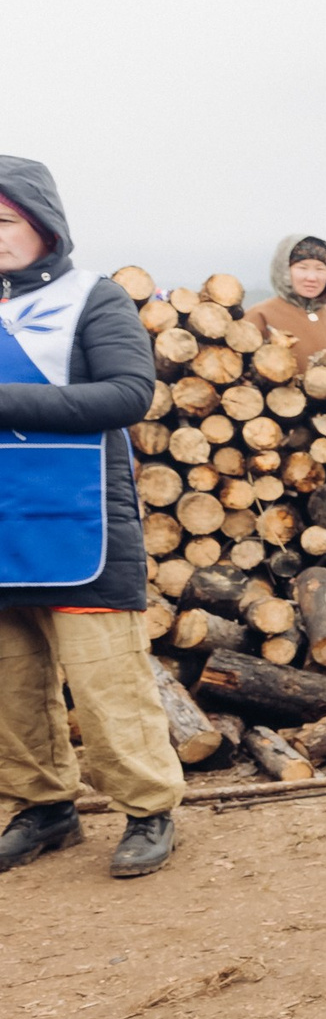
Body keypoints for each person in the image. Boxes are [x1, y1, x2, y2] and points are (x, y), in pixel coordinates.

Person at [0, 156, 187, 878]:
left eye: (6, 220)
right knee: (11, 683)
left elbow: (125, 395)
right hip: (2, 523)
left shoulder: (94, 299)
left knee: (108, 681)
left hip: (83, 519)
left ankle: (148, 807)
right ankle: (42, 805)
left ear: (43, 223)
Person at [247, 233, 326, 374]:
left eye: (320, 269)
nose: (312, 277)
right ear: (284, 271)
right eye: (302, 268)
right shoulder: (259, 316)